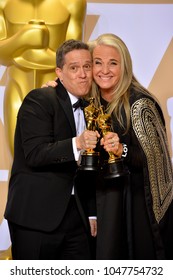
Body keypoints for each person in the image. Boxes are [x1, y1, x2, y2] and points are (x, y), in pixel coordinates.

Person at [43, 33, 173, 260]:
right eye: (97, 63)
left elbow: (156, 162)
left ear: (124, 66)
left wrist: (121, 149)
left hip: (133, 208)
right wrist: (56, 90)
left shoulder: (140, 103)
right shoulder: (89, 101)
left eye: (113, 63)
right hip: (98, 205)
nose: (104, 70)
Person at [4, 39, 98, 260]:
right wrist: (78, 143)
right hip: (35, 218)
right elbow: (35, 154)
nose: (83, 74)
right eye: (74, 68)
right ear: (59, 73)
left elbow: (89, 169)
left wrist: (92, 212)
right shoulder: (40, 99)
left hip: (77, 216)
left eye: (87, 66)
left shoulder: (93, 109)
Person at [0, 0, 86, 156]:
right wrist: (23, 38)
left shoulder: (72, 3)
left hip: (56, 93)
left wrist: (23, 54)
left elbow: (74, 58)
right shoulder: (4, 3)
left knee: (56, 155)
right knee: (19, 157)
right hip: (17, 89)